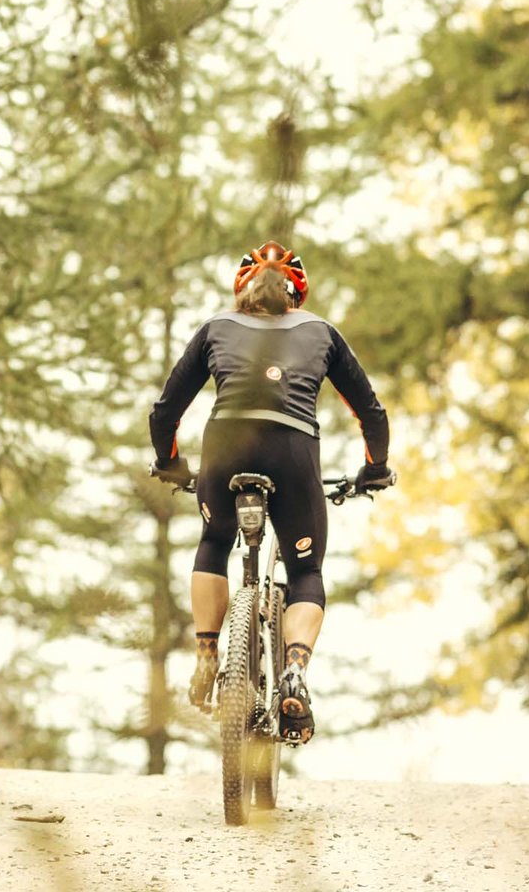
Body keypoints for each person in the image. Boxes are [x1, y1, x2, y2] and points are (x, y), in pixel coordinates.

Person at [149, 241, 394, 744]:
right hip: (293, 449)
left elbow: (165, 411)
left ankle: (207, 653)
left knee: (215, 541)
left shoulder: (216, 327)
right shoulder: (321, 331)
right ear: (296, 296)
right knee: (306, 570)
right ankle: (296, 671)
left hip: (226, 447)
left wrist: (172, 464)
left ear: (242, 291)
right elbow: (370, 412)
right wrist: (375, 468)